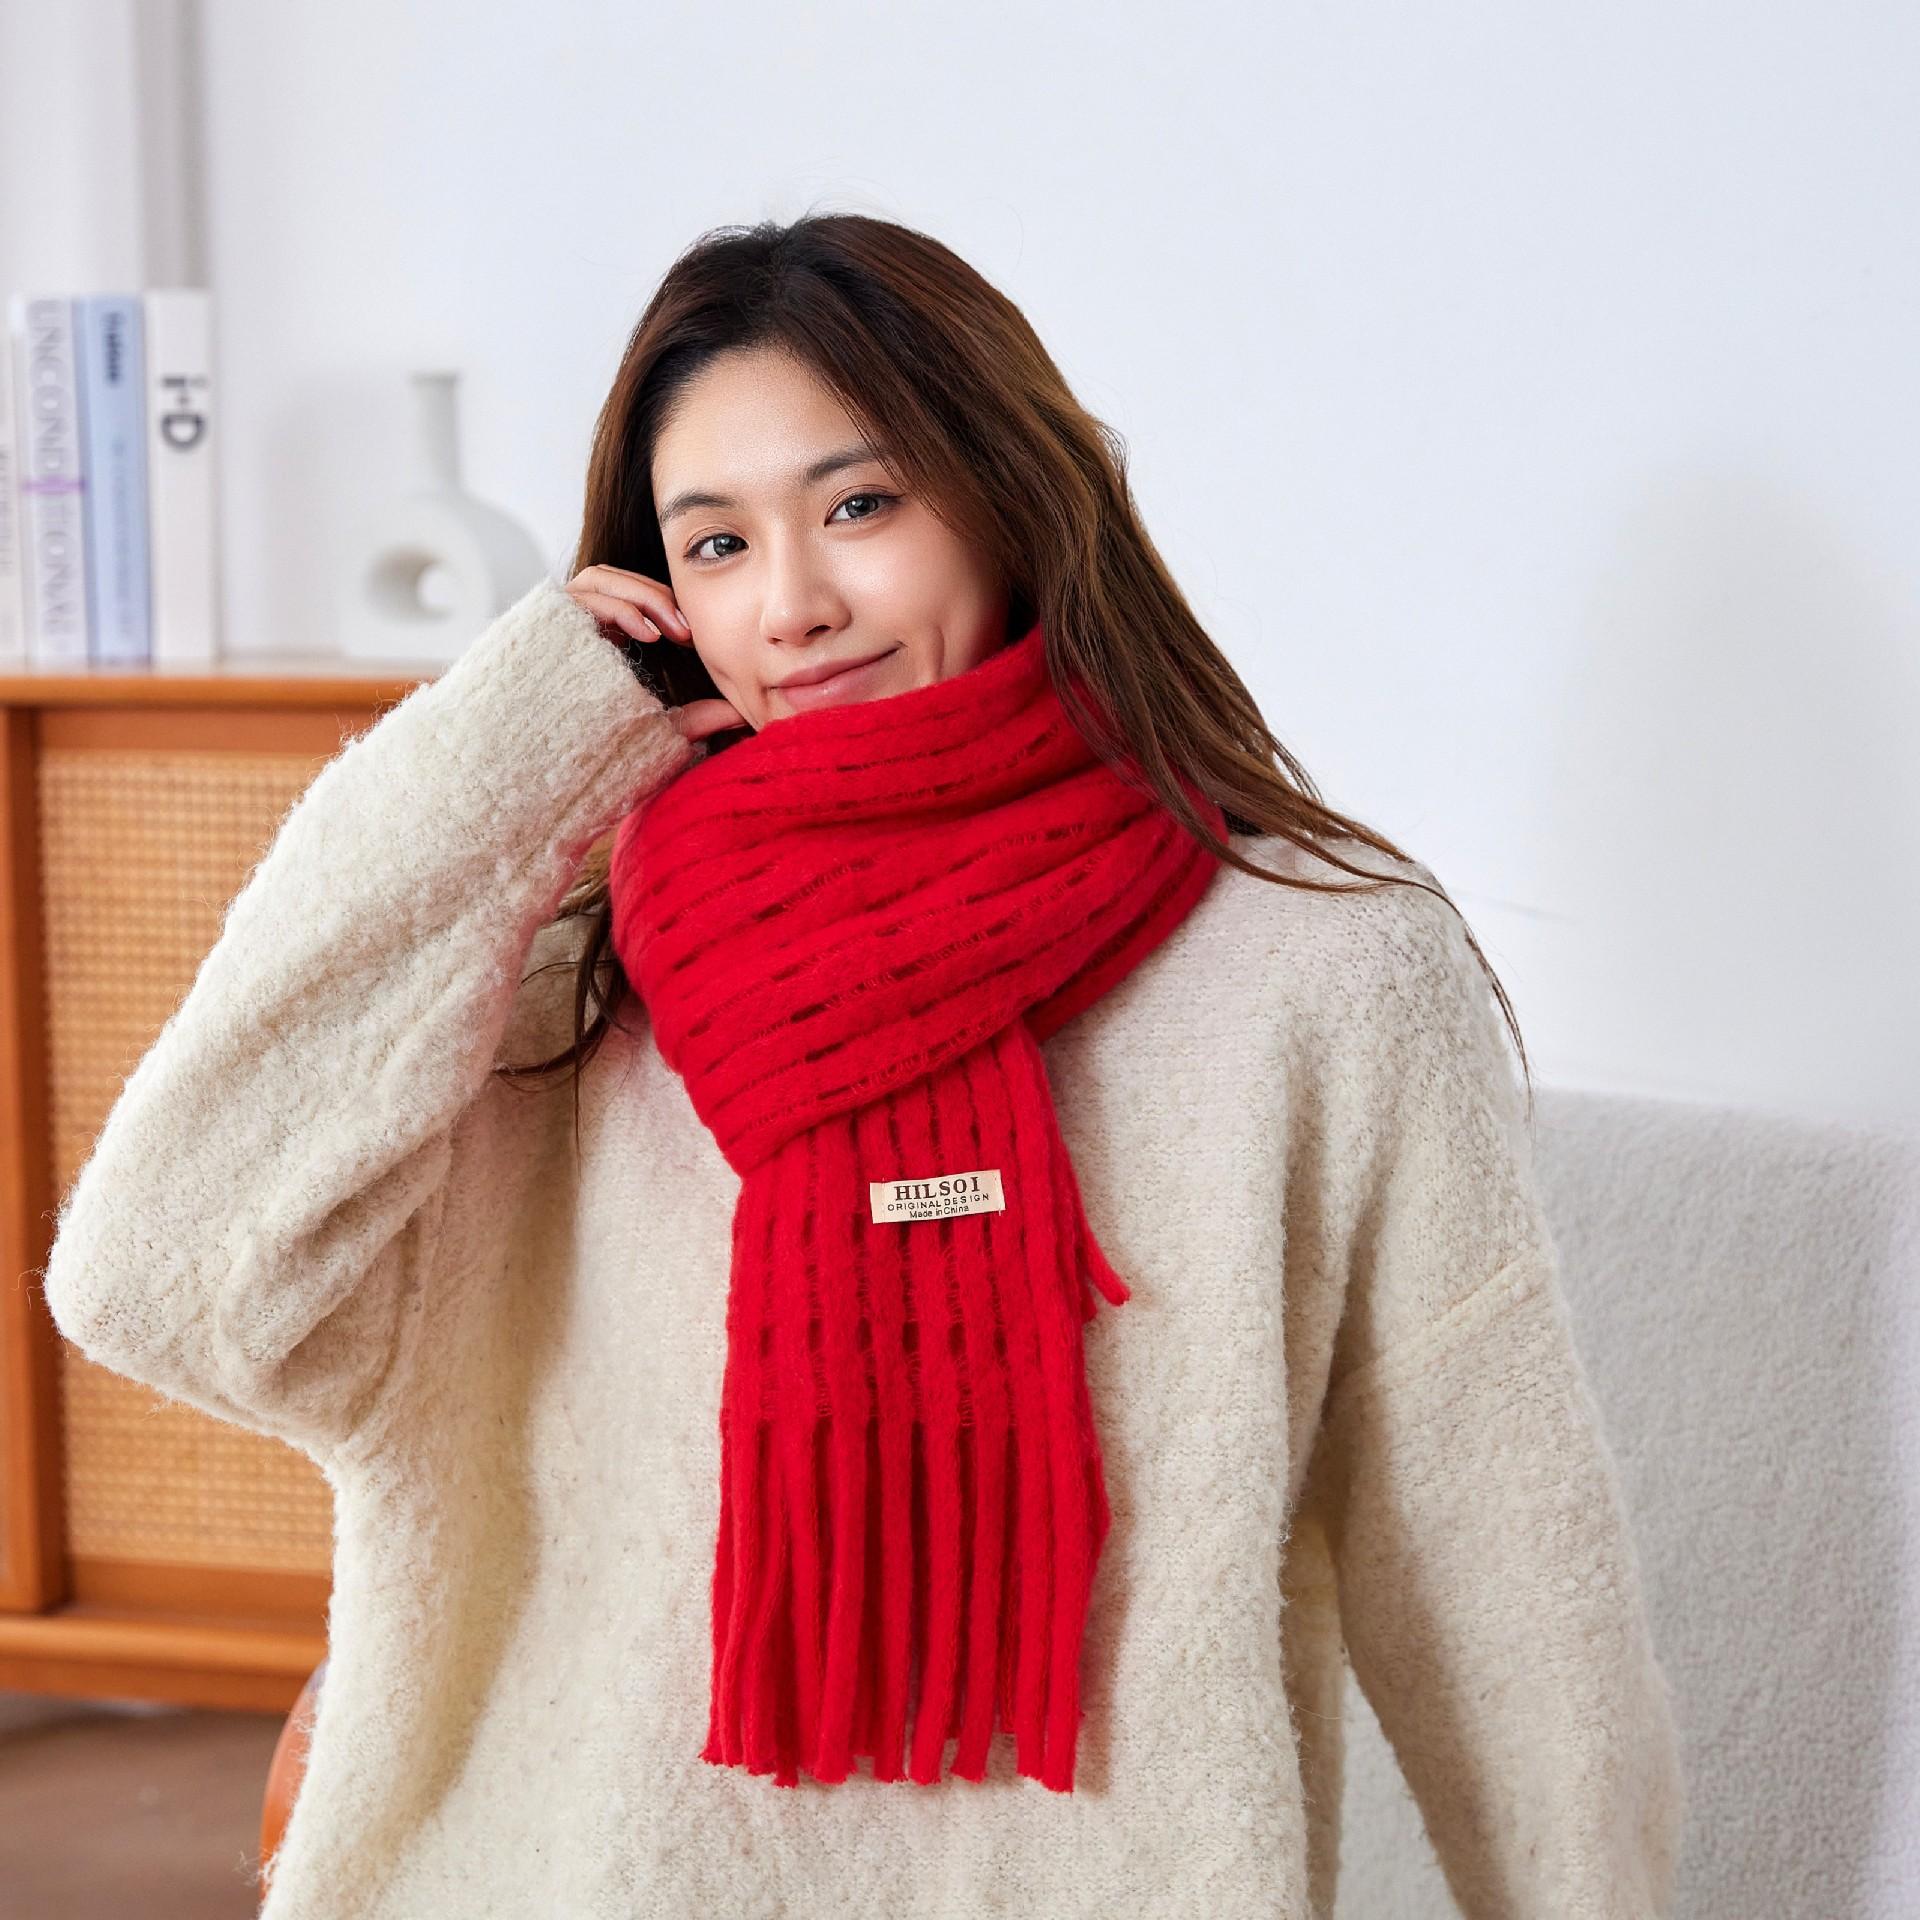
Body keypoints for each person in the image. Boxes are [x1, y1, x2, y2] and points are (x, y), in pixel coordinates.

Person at [39, 212, 1686, 1918]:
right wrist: (498, 755)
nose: (794, 608)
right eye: (716, 544)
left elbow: (1500, 1577)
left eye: (859, 506)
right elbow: (160, 1282)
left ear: (1012, 495)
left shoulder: (1317, 971)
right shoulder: (560, 994)